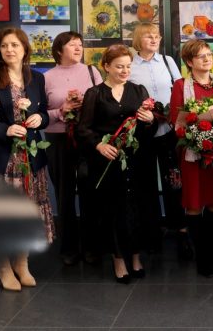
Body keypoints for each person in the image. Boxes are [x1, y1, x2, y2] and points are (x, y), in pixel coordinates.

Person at [0, 26, 54, 291]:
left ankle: (21, 263)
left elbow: (44, 111)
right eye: (4, 46)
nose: (9, 50)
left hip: (29, 158)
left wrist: (40, 118)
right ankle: (3, 267)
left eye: (14, 45)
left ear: (25, 48)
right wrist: (4, 129)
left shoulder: (36, 78)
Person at [77, 44, 157, 284]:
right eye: (119, 66)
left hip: (136, 159)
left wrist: (150, 120)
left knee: (136, 208)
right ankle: (118, 258)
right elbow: (83, 129)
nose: (125, 71)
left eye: (128, 66)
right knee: (112, 210)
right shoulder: (95, 93)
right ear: (106, 67)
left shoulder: (139, 90)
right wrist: (99, 146)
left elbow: (147, 128)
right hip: (108, 161)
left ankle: (136, 256)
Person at [169, 40, 213, 278]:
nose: (207, 59)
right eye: (201, 56)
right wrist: (198, 133)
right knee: (195, 203)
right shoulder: (181, 86)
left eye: (209, 55)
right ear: (189, 61)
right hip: (193, 154)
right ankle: (202, 255)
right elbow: (176, 121)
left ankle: (210, 249)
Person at [44, 31, 103, 266]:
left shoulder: (91, 71)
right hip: (58, 140)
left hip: (87, 138)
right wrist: (62, 110)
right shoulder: (46, 78)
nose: (78, 48)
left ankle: (92, 246)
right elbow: (40, 115)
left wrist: (85, 105)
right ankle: (68, 247)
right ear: (59, 49)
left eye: (80, 44)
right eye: (72, 45)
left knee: (91, 193)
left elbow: (103, 103)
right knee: (64, 194)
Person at [128, 23, 187, 257]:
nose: (154, 40)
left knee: (174, 181)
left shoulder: (167, 61)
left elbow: (181, 91)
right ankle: (151, 233)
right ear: (138, 40)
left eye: (156, 36)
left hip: (169, 132)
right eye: (148, 36)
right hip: (143, 134)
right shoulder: (130, 65)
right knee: (146, 184)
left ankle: (180, 230)